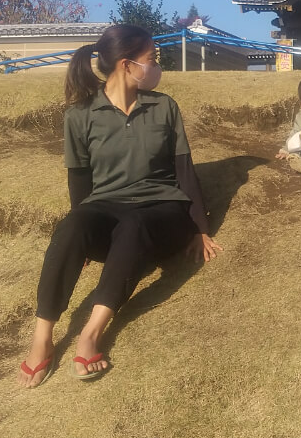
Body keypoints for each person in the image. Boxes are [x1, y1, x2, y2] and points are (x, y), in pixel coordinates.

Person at [17, 24, 220, 388]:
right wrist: (82, 234)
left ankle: (91, 334)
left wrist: (200, 228)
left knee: (134, 226)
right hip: (106, 206)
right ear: (126, 65)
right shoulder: (80, 114)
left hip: (161, 211)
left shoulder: (164, 107)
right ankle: (42, 337)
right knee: (72, 225)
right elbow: (79, 182)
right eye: (151, 59)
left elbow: (183, 171)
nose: (156, 66)